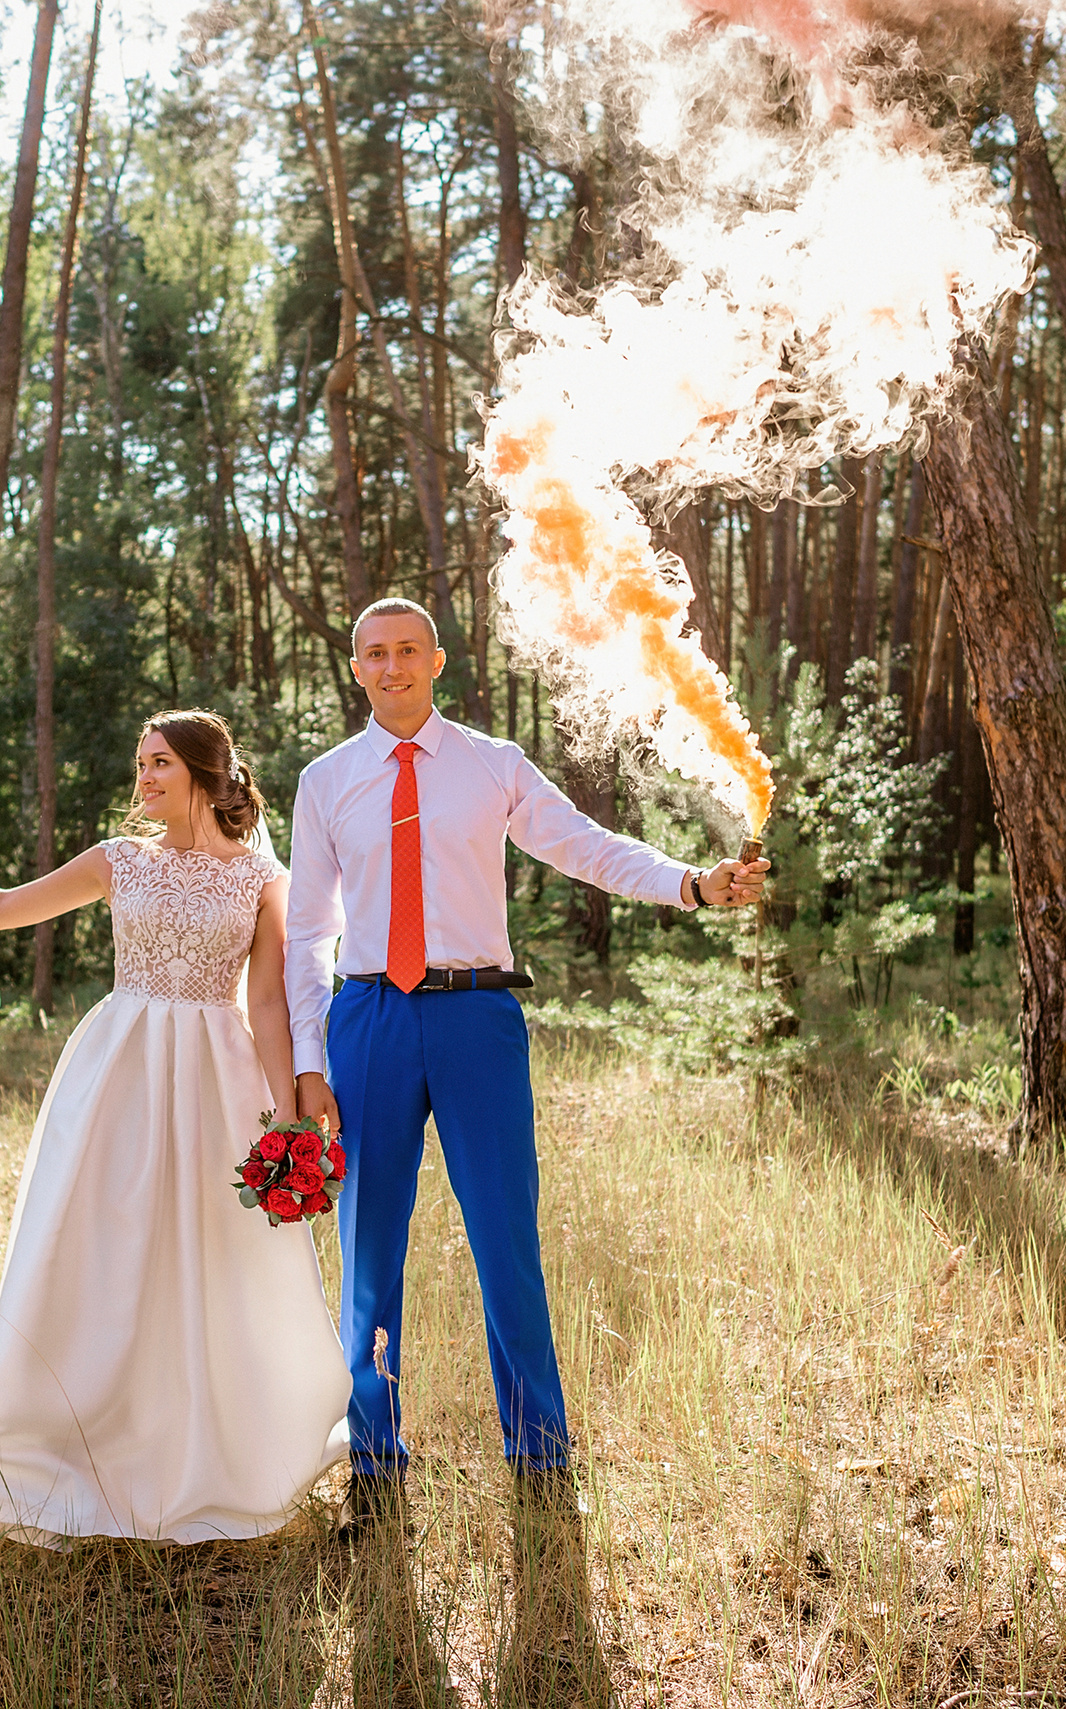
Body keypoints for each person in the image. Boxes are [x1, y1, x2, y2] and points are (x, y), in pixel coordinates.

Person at [286, 599, 766, 1531]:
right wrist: (311, 1062)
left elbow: (585, 846)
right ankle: (374, 1465)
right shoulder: (326, 780)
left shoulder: (494, 764)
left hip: (477, 1016)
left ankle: (541, 1457)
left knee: (506, 1239)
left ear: (437, 661)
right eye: (375, 653)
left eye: (409, 650)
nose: (392, 666)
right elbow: (307, 932)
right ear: (356, 668)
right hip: (369, 1019)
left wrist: (692, 883)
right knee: (368, 1250)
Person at [0, 709, 349, 1546]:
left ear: (206, 772)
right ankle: (67, 1432)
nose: (143, 777)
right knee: (99, 1247)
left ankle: (201, 1443)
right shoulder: (119, 859)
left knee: (207, 1254)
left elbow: (265, 1001)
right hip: (120, 1071)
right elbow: (4, 907)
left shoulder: (263, 880)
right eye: (140, 762)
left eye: (159, 762)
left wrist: (287, 1117)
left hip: (217, 1080)